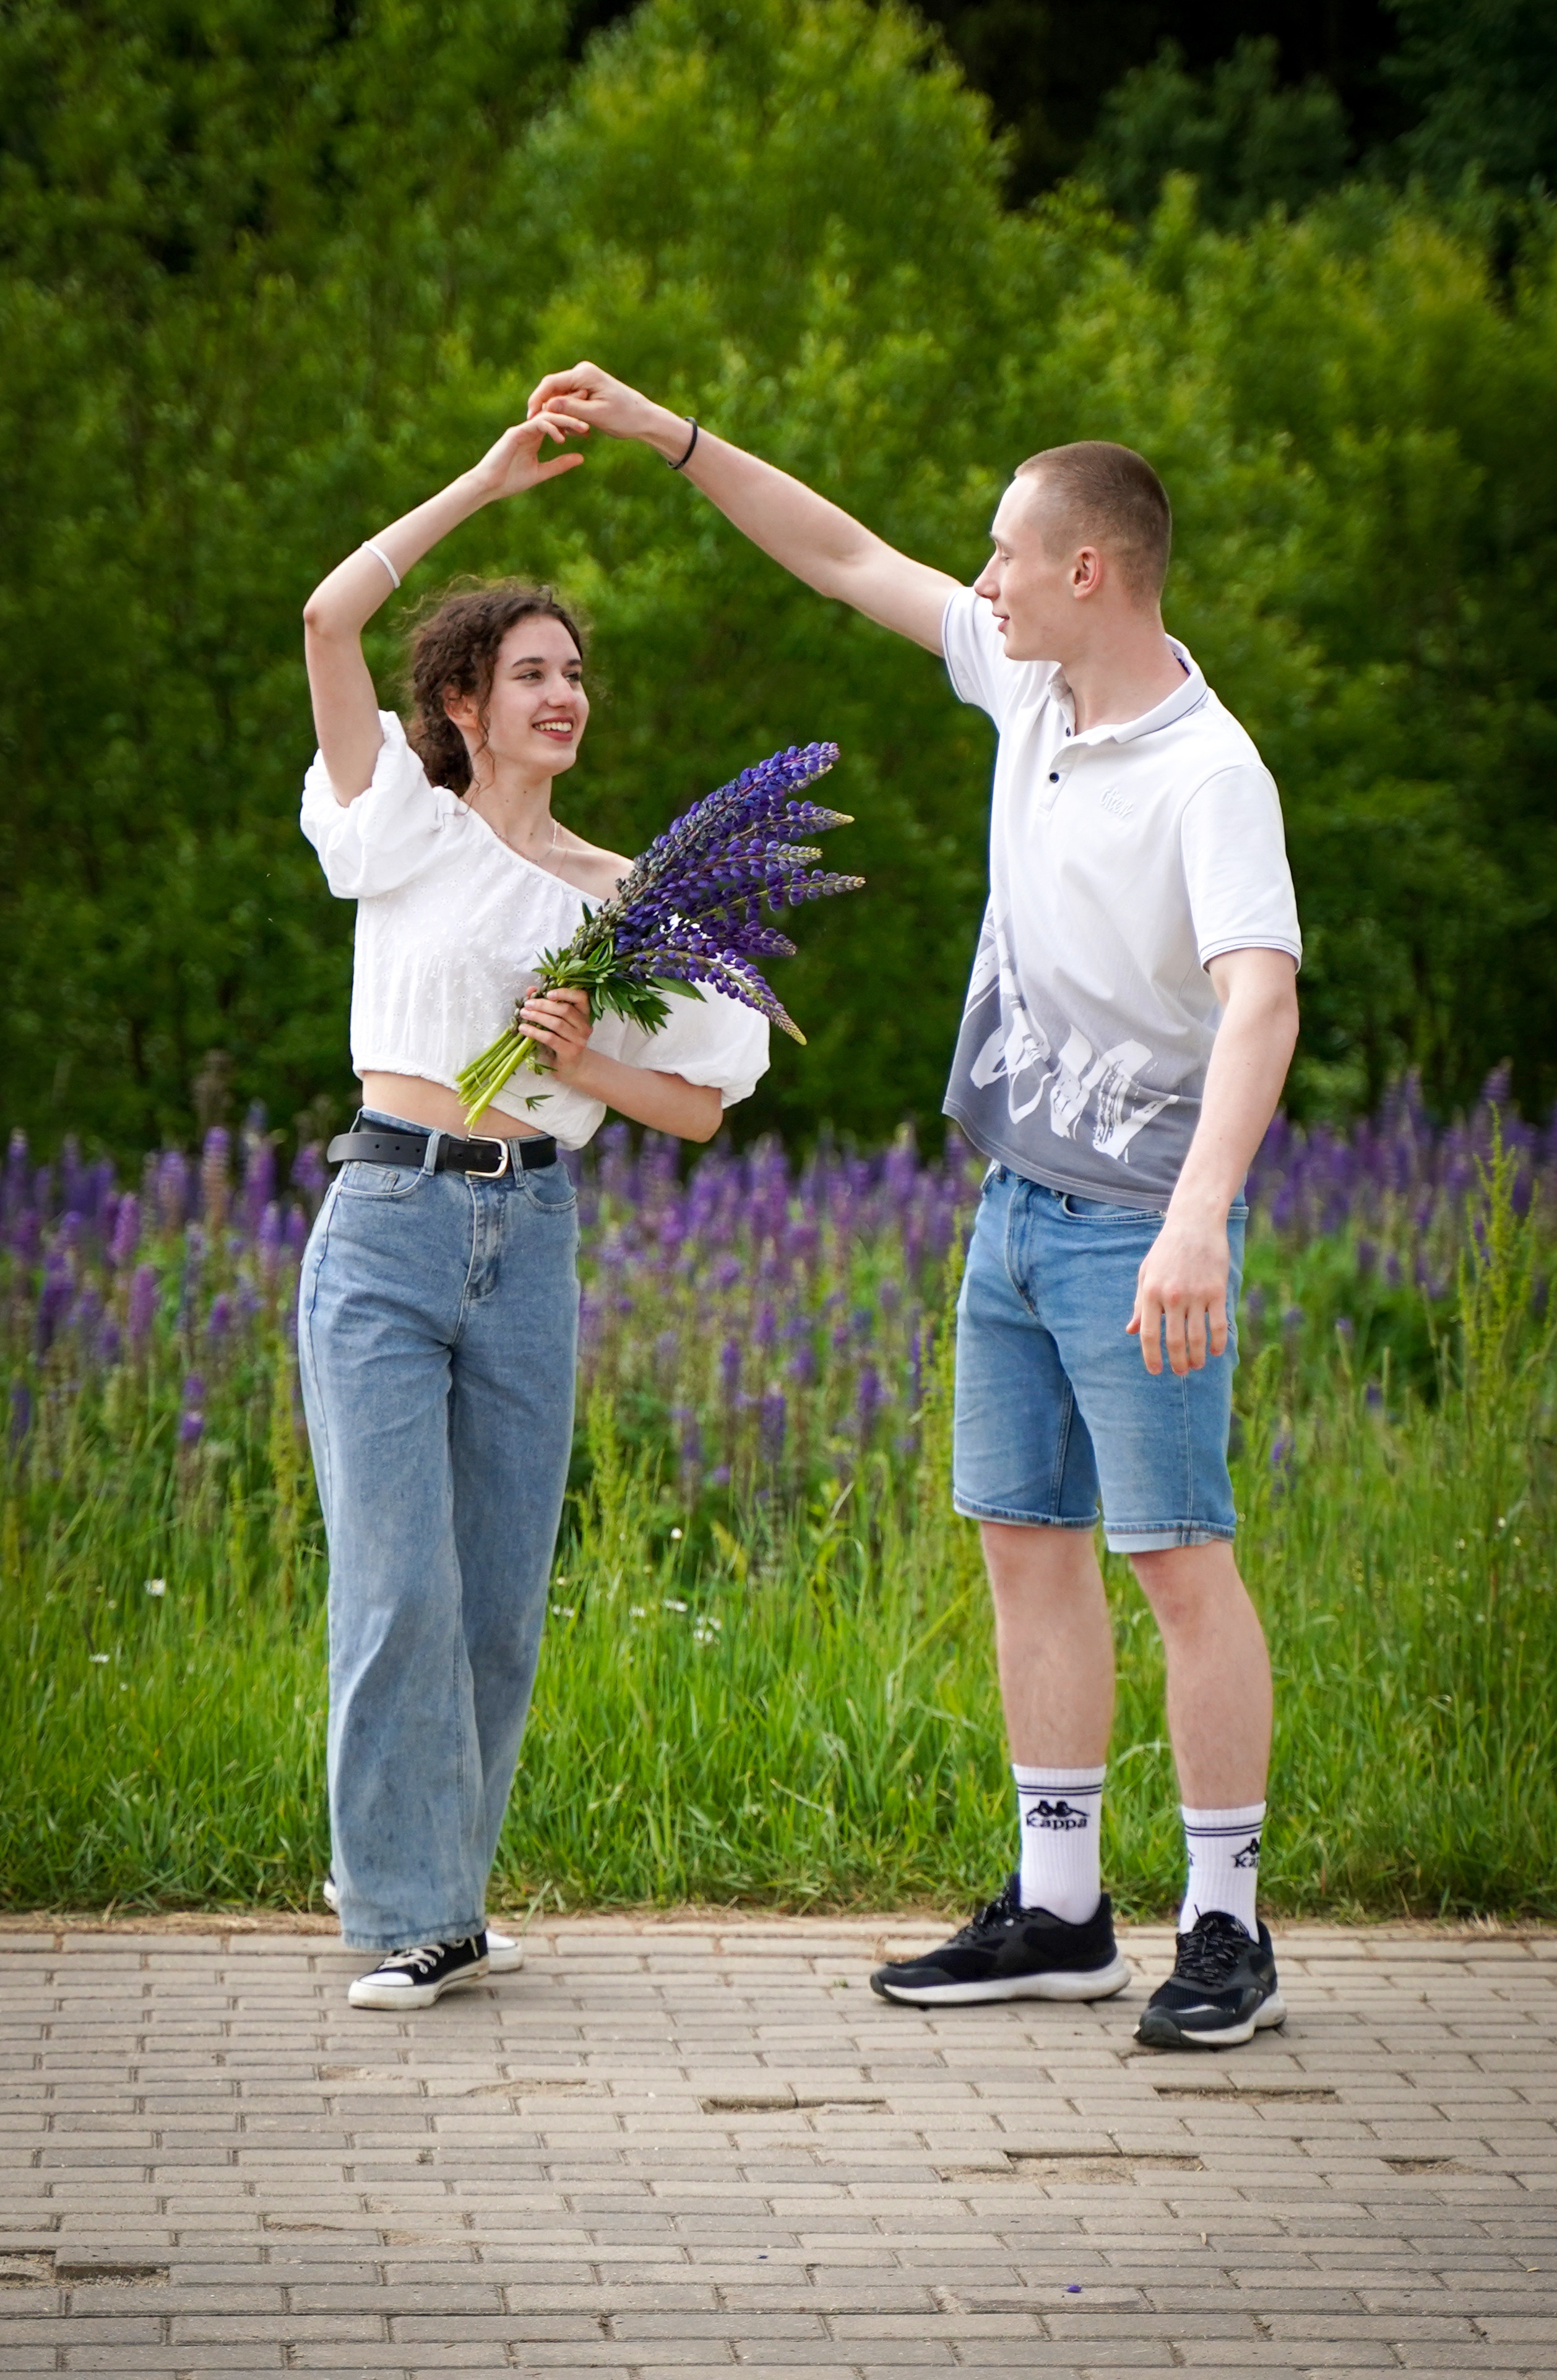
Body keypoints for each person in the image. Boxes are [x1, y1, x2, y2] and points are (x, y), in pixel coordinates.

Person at [525, 362, 1301, 2050]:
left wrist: (1196, 1220)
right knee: (1025, 1546)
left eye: (1008, 552)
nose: (985, 578)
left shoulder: (1208, 772)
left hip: (1143, 1225)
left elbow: (1262, 999)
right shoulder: (1031, 689)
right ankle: (1062, 1912)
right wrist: (664, 433)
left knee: (1178, 1562)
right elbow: (842, 556)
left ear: (1086, 568)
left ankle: (1227, 1929)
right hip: (1012, 1209)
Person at [298, 416, 769, 2010]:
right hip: (387, 1218)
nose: (564, 695)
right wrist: (488, 484)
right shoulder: (400, 824)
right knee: (398, 1588)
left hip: (529, 1239)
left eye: (575, 674)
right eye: (531, 673)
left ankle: (441, 1886)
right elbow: (328, 616)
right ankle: (408, 1910)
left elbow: (700, 1103)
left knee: (497, 1602)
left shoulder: (625, 899)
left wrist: (583, 1060)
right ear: (462, 702)